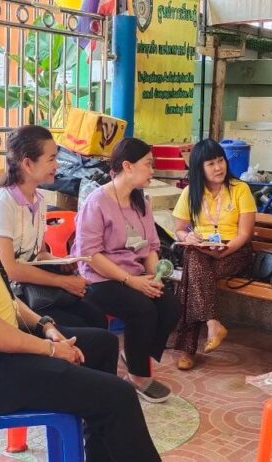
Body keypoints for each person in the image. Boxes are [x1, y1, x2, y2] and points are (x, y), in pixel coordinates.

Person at [0, 115, 160, 462]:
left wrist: (44, 327)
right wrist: (49, 351)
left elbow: (0, 292)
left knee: (102, 345)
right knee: (118, 396)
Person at [74, 137, 182, 403]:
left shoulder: (140, 202)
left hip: (133, 275)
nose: (152, 170)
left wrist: (156, 276)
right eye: (148, 164)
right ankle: (138, 376)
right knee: (142, 310)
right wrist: (131, 281)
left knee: (170, 306)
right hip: (100, 278)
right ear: (128, 166)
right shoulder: (97, 202)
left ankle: (135, 353)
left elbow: (150, 248)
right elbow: (90, 254)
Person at [0, 125, 107, 329]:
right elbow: (9, 269)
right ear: (28, 164)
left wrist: (63, 261)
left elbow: (39, 254)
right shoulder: (1, 204)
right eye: (51, 159)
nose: (57, 165)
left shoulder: (37, 198)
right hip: (12, 298)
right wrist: (62, 281)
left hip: (33, 290)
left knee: (96, 318)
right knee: (86, 331)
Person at [171, 139, 256, 370]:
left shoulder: (240, 189)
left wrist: (224, 251)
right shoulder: (190, 193)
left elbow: (245, 234)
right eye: (211, 163)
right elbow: (180, 229)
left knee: (192, 271)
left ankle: (188, 349)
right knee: (196, 262)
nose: (219, 167)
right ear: (199, 168)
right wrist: (187, 237)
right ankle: (212, 323)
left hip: (236, 252)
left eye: (220, 161)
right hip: (204, 250)